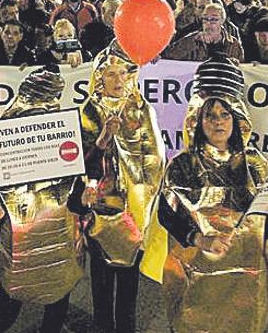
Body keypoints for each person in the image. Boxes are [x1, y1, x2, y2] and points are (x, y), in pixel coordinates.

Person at [159, 58, 268, 332]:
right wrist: (198, 238)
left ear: (237, 118)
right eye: (210, 115)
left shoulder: (255, 164)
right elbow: (166, 214)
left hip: (245, 279)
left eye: (225, 114)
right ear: (197, 120)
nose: (218, 122)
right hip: (196, 276)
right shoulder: (182, 165)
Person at [0, 65, 83, 333]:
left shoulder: (65, 136)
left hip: (57, 234)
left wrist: (85, 199)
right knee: (9, 307)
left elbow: (76, 192)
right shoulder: (5, 142)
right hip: (22, 237)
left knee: (56, 305)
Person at [78, 45, 168, 333]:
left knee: (129, 284)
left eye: (123, 74)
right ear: (99, 77)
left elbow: (155, 160)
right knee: (101, 281)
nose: (118, 81)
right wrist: (104, 141)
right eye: (111, 74)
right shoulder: (89, 111)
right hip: (100, 213)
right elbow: (80, 160)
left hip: (134, 212)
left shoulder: (141, 110)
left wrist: (141, 197)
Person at [162, 2, 245, 62]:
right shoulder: (193, 39)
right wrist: (193, 41)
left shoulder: (233, 44)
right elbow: (169, 55)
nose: (208, 23)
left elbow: (244, 70)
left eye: (213, 19)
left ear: (222, 21)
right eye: (205, 19)